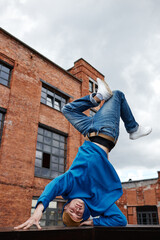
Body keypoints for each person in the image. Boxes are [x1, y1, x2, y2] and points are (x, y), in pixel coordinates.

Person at [14, 78, 152, 230]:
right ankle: (133, 129)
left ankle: (97, 97)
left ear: (65, 207)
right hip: (105, 132)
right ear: (85, 215)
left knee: (67, 109)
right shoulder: (99, 203)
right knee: (117, 95)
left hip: (89, 130)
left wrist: (38, 211)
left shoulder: (70, 185)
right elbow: (120, 220)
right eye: (79, 214)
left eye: (72, 210)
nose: (77, 209)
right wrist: (95, 222)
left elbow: (52, 187)